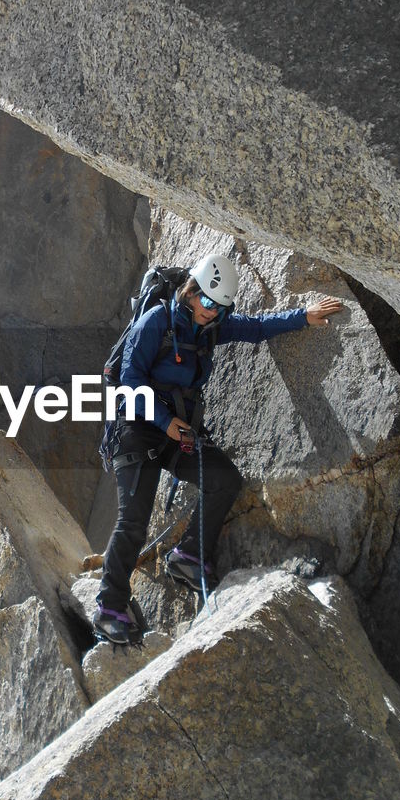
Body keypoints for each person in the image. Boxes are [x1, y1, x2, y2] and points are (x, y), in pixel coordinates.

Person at [95, 251, 344, 643]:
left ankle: (189, 557)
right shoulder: (156, 321)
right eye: (207, 302)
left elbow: (256, 328)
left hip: (175, 432)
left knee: (224, 479)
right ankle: (110, 608)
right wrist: (165, 423)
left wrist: (304, 316)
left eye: (219, 307)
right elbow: (129, 381)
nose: (211, 312)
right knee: (133, 520)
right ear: (191, 291)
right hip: (137, 429)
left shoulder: (211, 328)